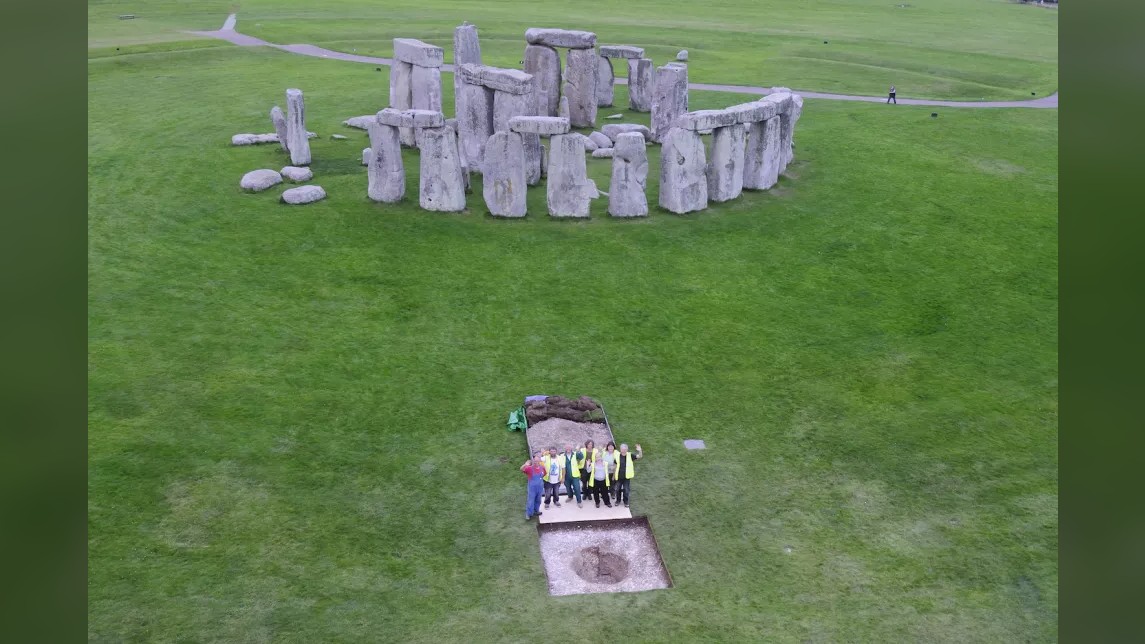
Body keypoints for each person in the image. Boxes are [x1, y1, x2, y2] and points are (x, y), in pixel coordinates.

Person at [613, 443, 643, 507]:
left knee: (626, 490)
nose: (623, 450)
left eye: (625, 449)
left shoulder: (630, 455)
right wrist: (613, 475)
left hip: (627, 477)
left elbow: (640, 456)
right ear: (620, 449)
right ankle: (618, 501)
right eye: (622, 449)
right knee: (617, 489)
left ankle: (625, 501)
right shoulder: (617, 456)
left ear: (627, 449)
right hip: (618, 476)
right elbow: (615, 466)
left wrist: (640, 450)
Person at [521, 452, 546, 520]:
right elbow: (521, 469)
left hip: (540, 488)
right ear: (533, 461)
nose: (536, 462)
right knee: (531, 501)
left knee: (538, 500)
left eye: (537, 461)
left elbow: (544, 474)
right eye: (535, 461)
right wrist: (525, 465)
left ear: (540, 461)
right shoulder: (529, 468)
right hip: (532, 488)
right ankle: (528, 514)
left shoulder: (542, 468)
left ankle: (536, 511)